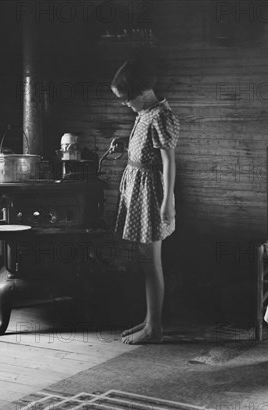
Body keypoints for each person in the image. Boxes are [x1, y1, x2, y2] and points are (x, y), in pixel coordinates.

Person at [109, 59, 180, 344]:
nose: (125, 104)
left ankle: (155, 328)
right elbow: (145, 148)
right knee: (145, 260)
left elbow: (169, 160)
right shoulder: (146, 113)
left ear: (141, 92)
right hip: (139, 191)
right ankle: (150, 319)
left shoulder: (161, 115)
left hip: (151, 194)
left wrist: (167, 202)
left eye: (126, 100)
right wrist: (124, 145)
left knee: (151, 262)